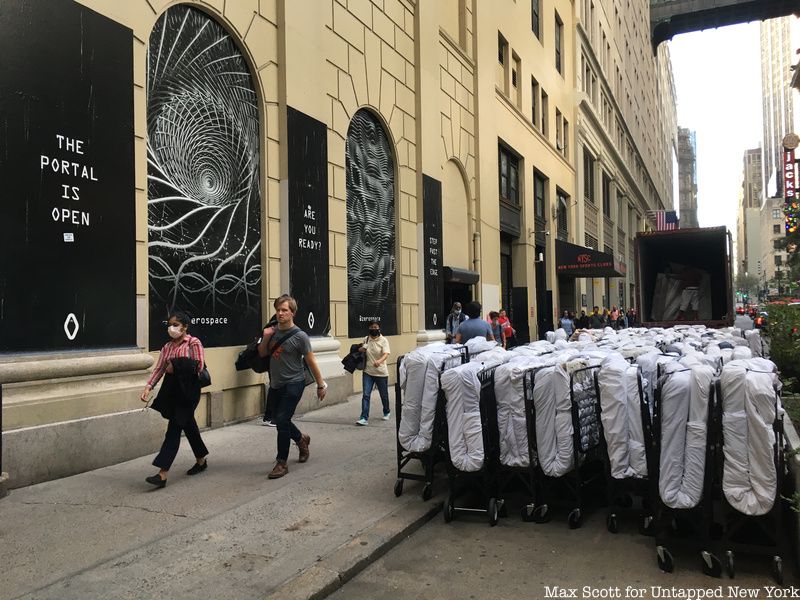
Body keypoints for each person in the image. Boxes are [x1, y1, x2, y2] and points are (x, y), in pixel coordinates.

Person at [257, 294, 327, 479]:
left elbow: (311, 361)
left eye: (284, 310)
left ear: (292, 313)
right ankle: (301, 439)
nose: (280, 313)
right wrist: (265, 338)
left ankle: (281, 463)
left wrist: (321, 384)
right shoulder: (271, 331)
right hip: (276, 384)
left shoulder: (300, 336)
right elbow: (263, 353)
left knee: (281, 420)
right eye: (278, 310)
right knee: (280, 419)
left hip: (294, 383)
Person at [140, 310, 208, 488]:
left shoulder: (194, 343)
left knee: (174, 428)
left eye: (176, 325)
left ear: (185, 327)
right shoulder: (167, 347)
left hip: (189, 391)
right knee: (189, 426)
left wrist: (176, 366)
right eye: (169, 324)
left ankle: (162, 473)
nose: (172, 328)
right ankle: (201, 461)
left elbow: (198, 366)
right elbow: (159, 369)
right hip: (173, 391)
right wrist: (149, 386)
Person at [355, 321, 391, 426]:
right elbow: (360, 350)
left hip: (381, 372)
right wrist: (362, 349)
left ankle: (386, 411)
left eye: (375, 327)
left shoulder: (384, 340)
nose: (373, 329)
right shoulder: (366, 339)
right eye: (371, 327)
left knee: (383, 395)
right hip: (368, 372)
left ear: (379, 328)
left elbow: (386, 354)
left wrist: (379, 361)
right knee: (366, 395)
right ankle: (364, 418)